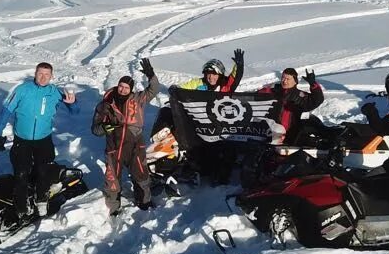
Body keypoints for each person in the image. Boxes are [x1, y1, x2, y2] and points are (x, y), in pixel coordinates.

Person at [0, 62, 77, 220]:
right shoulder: (22, 90)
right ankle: (20, 207)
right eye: (40, 73)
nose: (43, 77)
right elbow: (6, 111)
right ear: (35, 73)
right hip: (22, 140)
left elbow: (75, 111)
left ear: (52, 76)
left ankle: (41, 199)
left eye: (47, 74)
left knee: (43, 171)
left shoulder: (55, 93)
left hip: (43, 140)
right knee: (21, 173)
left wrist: (73, 103)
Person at [161, 49, 245, 184]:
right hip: (201, 125)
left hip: (220, 126)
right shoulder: (199, 83)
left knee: (225, 152)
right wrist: (174, 89)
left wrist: (239, 66)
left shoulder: (225, 86)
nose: (211, 77)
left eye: (214, 74)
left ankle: (222, 176)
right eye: (208, 74)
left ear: (220, 75)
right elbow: (182, 88)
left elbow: (235, 78)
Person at [94, 58, 160, 215]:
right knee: (112, 179)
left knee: (141, 175)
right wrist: (105, 127)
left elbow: (154, 89)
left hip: (135, 145)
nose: (123, 90)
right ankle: (114, 207)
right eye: (121, 86)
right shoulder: (106, 105)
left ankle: (144, 201)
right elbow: (95, 129)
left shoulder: (137, 99)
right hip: (114, 147)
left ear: (131, 89)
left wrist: (151, 74)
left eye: (126, 88)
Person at [257, 67, 324, 145]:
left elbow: (317, 100)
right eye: (283, 78)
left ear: (295, 81)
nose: (284, 81)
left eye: (288, 79)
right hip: (269, 133)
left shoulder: (300, 96)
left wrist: (313, 84)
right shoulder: (272, 92)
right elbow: (252, 97)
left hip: (290, 135)